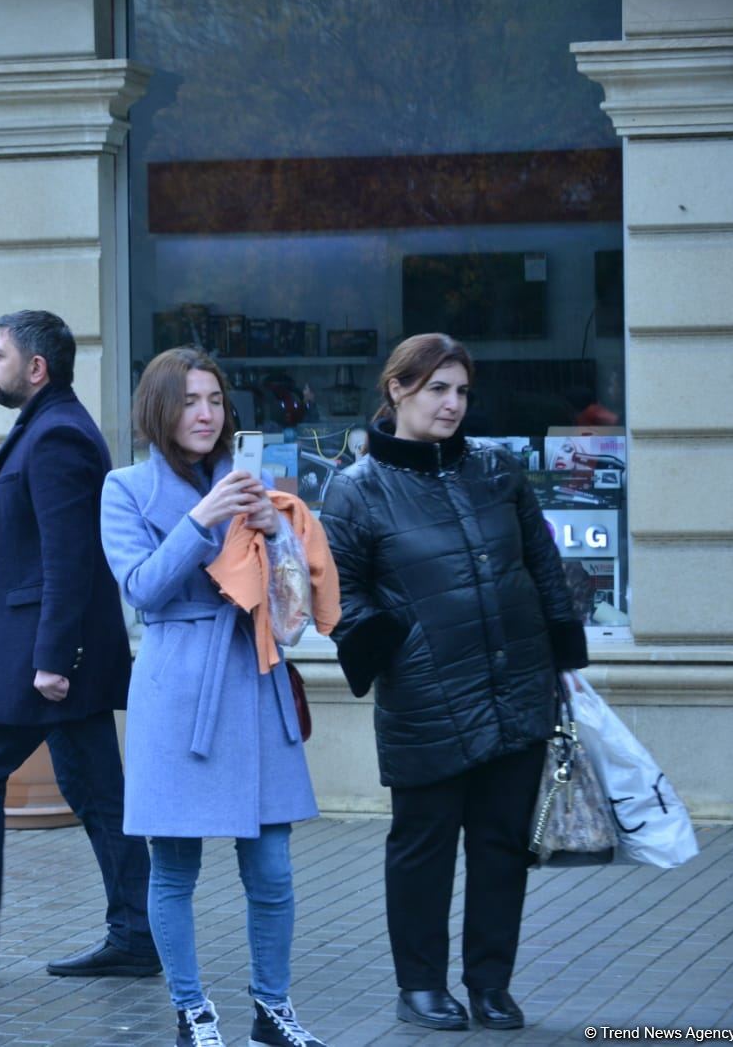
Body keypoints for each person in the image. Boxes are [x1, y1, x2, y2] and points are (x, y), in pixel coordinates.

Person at [321, 333, 588, 1033]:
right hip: (426, 696)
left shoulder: (496, 468)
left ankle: (491, 984)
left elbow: (544, 568)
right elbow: (341, 594)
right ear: (399, 390)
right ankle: (420, 987)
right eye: (438, 388)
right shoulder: (356, 488)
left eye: (462, 390)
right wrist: (400, 650)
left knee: (502, 846)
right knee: (424, 848)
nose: (452, 403)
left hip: (518, 684)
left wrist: (565, 664)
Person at [0, 309, 157, 978]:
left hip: (39, 660)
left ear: (36, 368)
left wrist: (52, 659)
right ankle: (135, 933)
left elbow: (70, 559)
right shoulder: (50, 427)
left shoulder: (57, 438)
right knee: (97, 790)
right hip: (37, 653)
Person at [100, 347, 330, 1047]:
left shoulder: (250, 479)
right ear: (158, 409)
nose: (205, 414)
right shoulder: (125, 488)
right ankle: (193, 1009)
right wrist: (201, 518)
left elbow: (296, 595)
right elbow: (140, 588)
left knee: (272, 865)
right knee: (173, 865)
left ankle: (273, 1007)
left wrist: (276, 528)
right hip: (177, 686)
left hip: (254, 673)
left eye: (215, 400)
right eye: (189, 401)